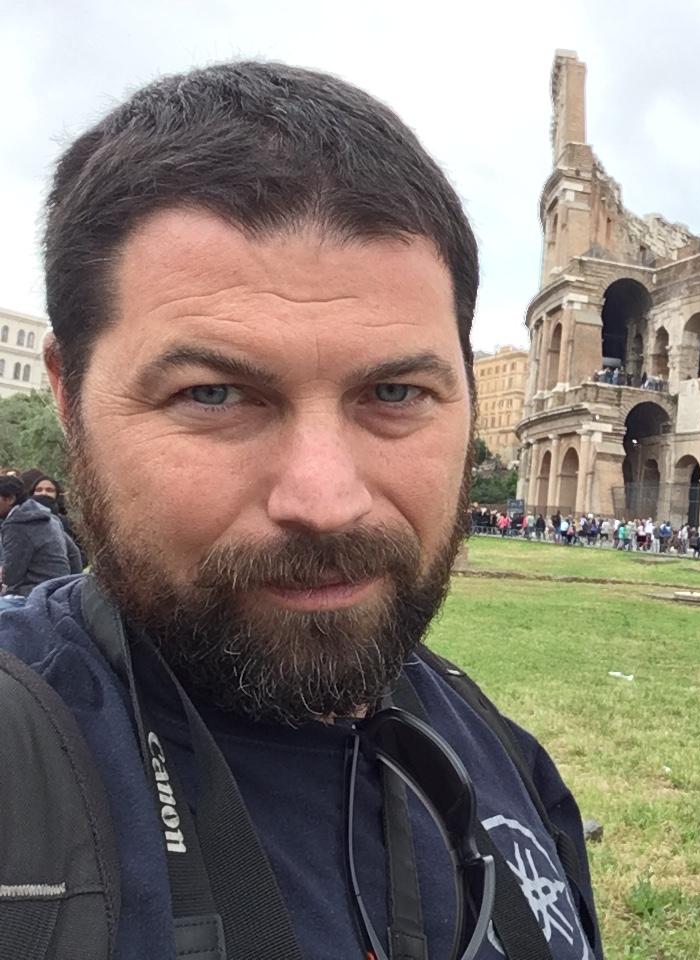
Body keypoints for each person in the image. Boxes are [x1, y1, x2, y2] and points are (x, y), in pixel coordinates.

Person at [0, 63, 601, 960]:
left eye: (394, 393)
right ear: (67, 391)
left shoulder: (506, 764)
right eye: (212, 394)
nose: (325, 502)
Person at [0, 475, 82, 604]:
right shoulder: (47, 516)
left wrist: (3, 572)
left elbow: (12, 576)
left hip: (29, 595)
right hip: (57, 593)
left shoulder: (16, 524)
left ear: (9, 499)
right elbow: (74, 554)